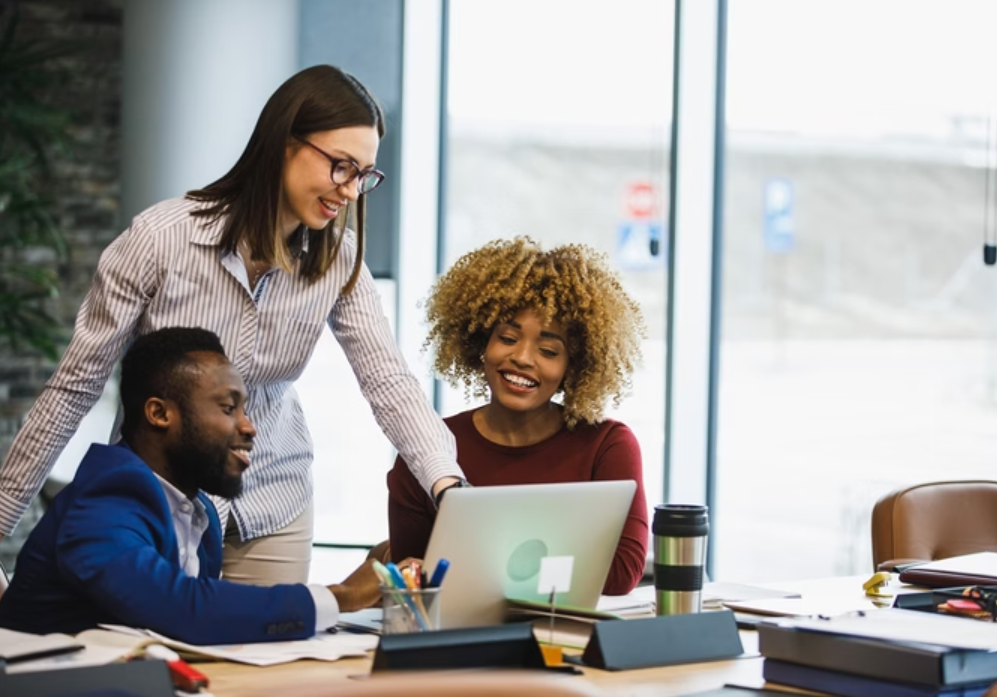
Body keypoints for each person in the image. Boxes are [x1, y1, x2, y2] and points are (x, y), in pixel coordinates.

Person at [0, 65, 465, 585]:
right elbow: (73, 388)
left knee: (270, 658)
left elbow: (388, 380)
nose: (352, 191)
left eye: (364, 175)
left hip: (272, 499)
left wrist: (446, 484)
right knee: (159, 657)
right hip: (161, 497)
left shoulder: (338, 259)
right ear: (285, 143)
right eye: (341, 167)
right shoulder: (161, 240)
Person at [0, 328, 407, 644]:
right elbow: (177, 608)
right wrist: (343, 596)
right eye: (229, 408)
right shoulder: (106, 499)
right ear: (160, 413)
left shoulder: (199, 512)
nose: (249, 427)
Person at [387, 237, 650, 595]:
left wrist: (476, 562)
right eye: (508, 338)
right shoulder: (427, 448)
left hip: (565, 640)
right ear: (480, 343)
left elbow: (620, 575)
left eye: (548, 350)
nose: (523, 358)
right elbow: (415, 578)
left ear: (574, 366)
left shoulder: (607, 446)